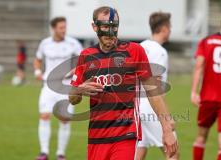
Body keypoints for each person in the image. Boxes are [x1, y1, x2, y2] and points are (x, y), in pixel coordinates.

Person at [69, 6, 178, 160]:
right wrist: (78, 90)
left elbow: (153, 92)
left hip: (125, 134)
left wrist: (167, 129)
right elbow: (72, 99)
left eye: (114, 27)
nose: (110, 32)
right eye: (105, 27)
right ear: (94, 27)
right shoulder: (86, 56)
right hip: (96, 137)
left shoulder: (134, 51)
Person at [34, 17, 83, 160]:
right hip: (48, 85)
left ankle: (60, 154)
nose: (64, 30)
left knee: (64, 119)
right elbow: (38, 59)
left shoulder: (73, 43)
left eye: (65, 27)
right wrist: (37, 71)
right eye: (61, 27)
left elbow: (83, 60)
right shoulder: (45, 43)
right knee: (44, 115)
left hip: (66, 86)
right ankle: (44, 152)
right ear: (54, 28)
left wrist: (76, 70)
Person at [191, 11, 221, 160]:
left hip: (207, 97)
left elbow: (199, 66)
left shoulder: (207, 41)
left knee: (200, 138)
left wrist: (194, 91)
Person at [136, 12, 179, 160]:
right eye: (170, 27)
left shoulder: (140, 47)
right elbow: (155, 87)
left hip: (135, 106)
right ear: (164, 28)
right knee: (172, 151)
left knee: (139, 151)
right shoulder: (160, 52)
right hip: (150, 106)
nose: (170, 30)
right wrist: (167, 117)